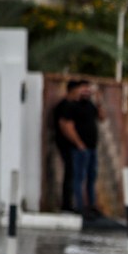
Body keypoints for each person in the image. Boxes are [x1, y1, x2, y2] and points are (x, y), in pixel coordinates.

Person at [55, 80, 105, 217]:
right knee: (77, 177)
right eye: (83, 89)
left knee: (91, 177)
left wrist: (99, 100)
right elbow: (65, 126)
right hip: (78, 148)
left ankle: (91, 205)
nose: (86, 91)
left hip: (91, 147)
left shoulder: (89, 105)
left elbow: (101, 117)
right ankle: (79, 205)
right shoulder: (70, 106)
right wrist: (79, 144)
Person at [51, 80, 83, 212]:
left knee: (72, 174)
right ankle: (67, 205)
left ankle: (70, 204)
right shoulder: (65, 105)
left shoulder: (73, 105)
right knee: (70, 174)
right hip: (67, 145)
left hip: (71, 145)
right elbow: (65, 126)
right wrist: (78, 143)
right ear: (73, 90)